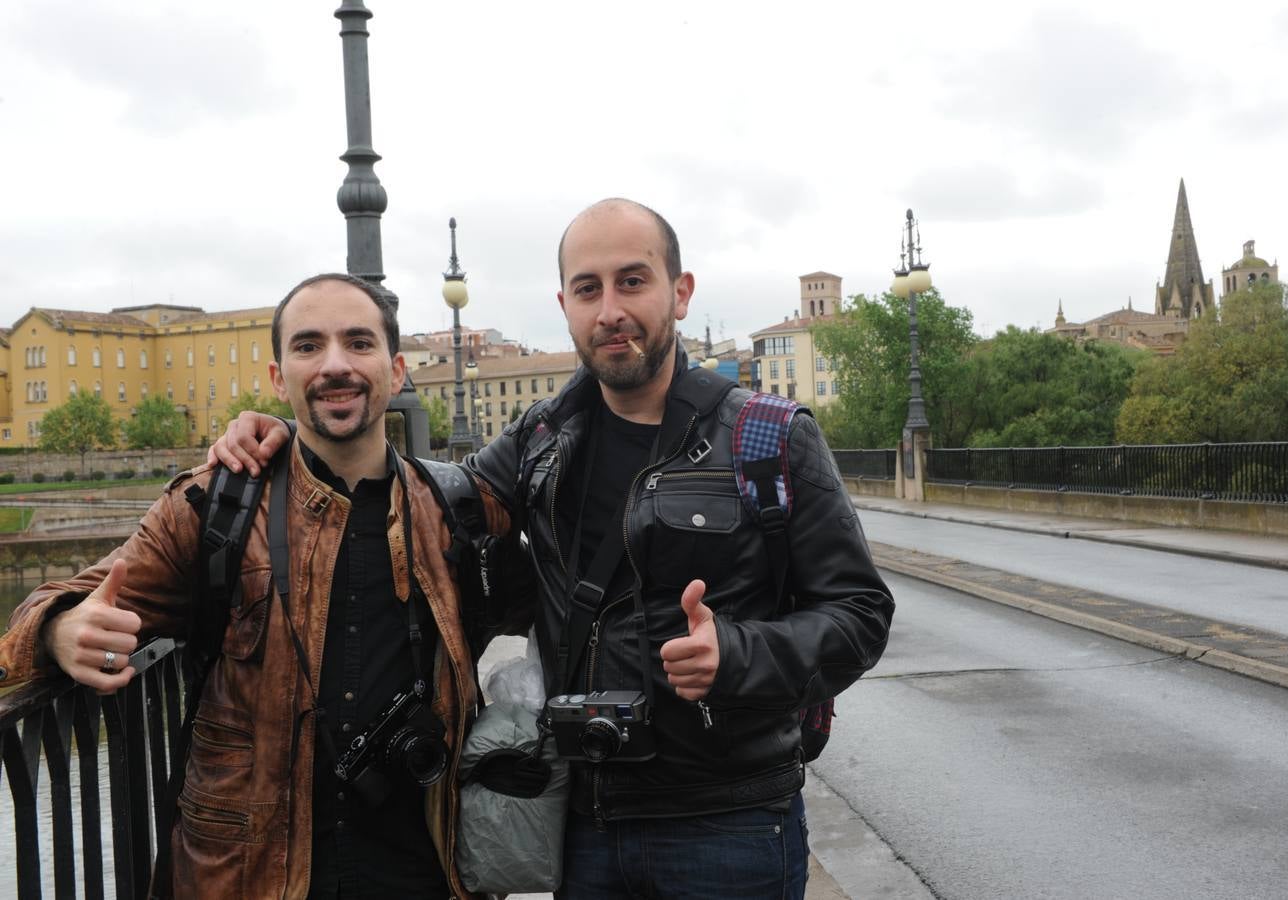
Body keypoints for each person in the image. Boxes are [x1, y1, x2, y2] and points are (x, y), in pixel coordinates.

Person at [212, 200, 896, 899]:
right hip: (583, 822)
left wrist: (739, 654)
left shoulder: (767, 437)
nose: (610, 311)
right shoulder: (544, 437)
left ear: (680, 292)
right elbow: (423, 502)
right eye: (588, 289)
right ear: (565, 304)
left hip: (727, 822)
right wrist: (282, 440)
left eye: (633, 282)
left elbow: (861, 613)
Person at [0, 273, 512, 899]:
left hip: (420, 872)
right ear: (277, 378)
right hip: (248, 877)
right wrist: (58, 630)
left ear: (397, 369)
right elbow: (53, 608)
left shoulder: (454, 510)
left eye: (358, 342)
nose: (334, 365)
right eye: (307, 346)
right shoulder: (214, 505)